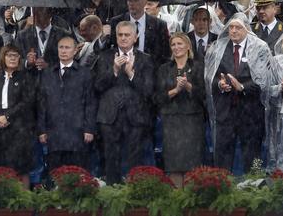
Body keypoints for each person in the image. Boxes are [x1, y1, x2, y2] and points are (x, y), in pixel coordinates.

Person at [205, 12, 271, 173]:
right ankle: (222, 190)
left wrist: (242, 87)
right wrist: (220, 85)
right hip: (226, 113)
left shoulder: (259, 47)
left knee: (253, 158)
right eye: (231, 27)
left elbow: (264, 81)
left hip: (250, 113)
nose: (233, 31)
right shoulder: (218, 47)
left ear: (247, 29)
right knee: (222, 158)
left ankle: (253, 190)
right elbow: (210, 77)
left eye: (238, 28)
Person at [94, 21, 154, 184]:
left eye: (127, 35)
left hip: (135, 118)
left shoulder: (145, 59)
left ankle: (133, 198)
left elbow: (148, 91)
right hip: (109, 118)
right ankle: (113, 196)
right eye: (120, 35)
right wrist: (113, 70)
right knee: (110, 162)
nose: (123, 38)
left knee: (134, 163)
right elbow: (97, 86)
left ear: (136, 37)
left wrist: (131, 74)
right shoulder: (105, 56)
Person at [38, 36, 97, 171]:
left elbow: (90, 103)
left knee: (77, 173)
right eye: (61, 47)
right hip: (54, 132)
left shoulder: (84, 73)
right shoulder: (47, 74)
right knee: (55, 174)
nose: (63, 51)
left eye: (67, 47)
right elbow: (41, 103)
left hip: (77, 132)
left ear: (75, 50)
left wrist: (89, 129)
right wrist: (41, 130)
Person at [155, 33, 205, 187]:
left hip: (192, 121)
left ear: (188, 46)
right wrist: (176, 90)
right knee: (173, 163)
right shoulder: (164, 68)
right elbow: (157, 97)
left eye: (180, 44)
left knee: (192, 163)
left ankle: (191, 201)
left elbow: (204, 95)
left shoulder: (198, 66)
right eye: (173, 44)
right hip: (171, 121)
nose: (176, 47)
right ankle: (175, 199)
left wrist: (189, 87)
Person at [0, 45, 35, 188]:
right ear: (3, 57)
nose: (12, 58)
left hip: (18, 129)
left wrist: (7, 116)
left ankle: (24, 203)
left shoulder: (26, 77)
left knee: (20, 168)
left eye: (16, 55)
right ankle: (1, 204)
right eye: (9, 55)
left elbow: (26, 102)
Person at [110, 0, 170, 67]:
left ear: (145, 3)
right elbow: (109, 47)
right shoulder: (116, 21)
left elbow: (165, 53)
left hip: (150, 72)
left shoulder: (159, 25)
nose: (131, 3)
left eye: (135, 0)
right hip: (122, 70)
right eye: (129, 0)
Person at [267, 29, 283, 171]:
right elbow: (267, 89)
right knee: (280, 149)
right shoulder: (276, 62)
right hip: (281, 112)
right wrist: (281, 87)